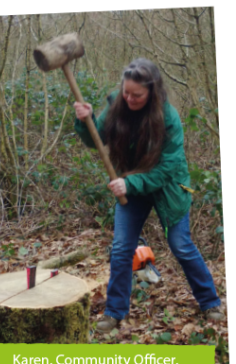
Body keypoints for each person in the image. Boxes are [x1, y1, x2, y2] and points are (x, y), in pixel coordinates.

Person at [74, 58, 224, 334]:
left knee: (180, 245)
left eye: (137, 95)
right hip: (131, 185)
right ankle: (114, 311)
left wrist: (130, 184)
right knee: (121, 249)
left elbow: (166, 169)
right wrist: (86, 121)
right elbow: (94, 139)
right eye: (126, 91)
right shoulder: (117, 104)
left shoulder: (169, 118)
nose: (129, 98)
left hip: (167, 188)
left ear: (152, 93)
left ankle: (210, 302)